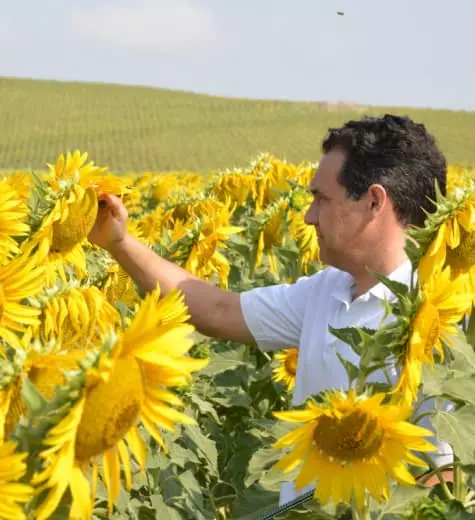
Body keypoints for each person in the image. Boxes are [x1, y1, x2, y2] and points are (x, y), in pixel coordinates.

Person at [88, 114, 452, 505]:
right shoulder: (326, 290)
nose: (309, 216)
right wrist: (119, 242)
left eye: (321, 198)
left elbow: (446, 474)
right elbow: (217, 310)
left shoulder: (440, 317)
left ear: (374, 202)